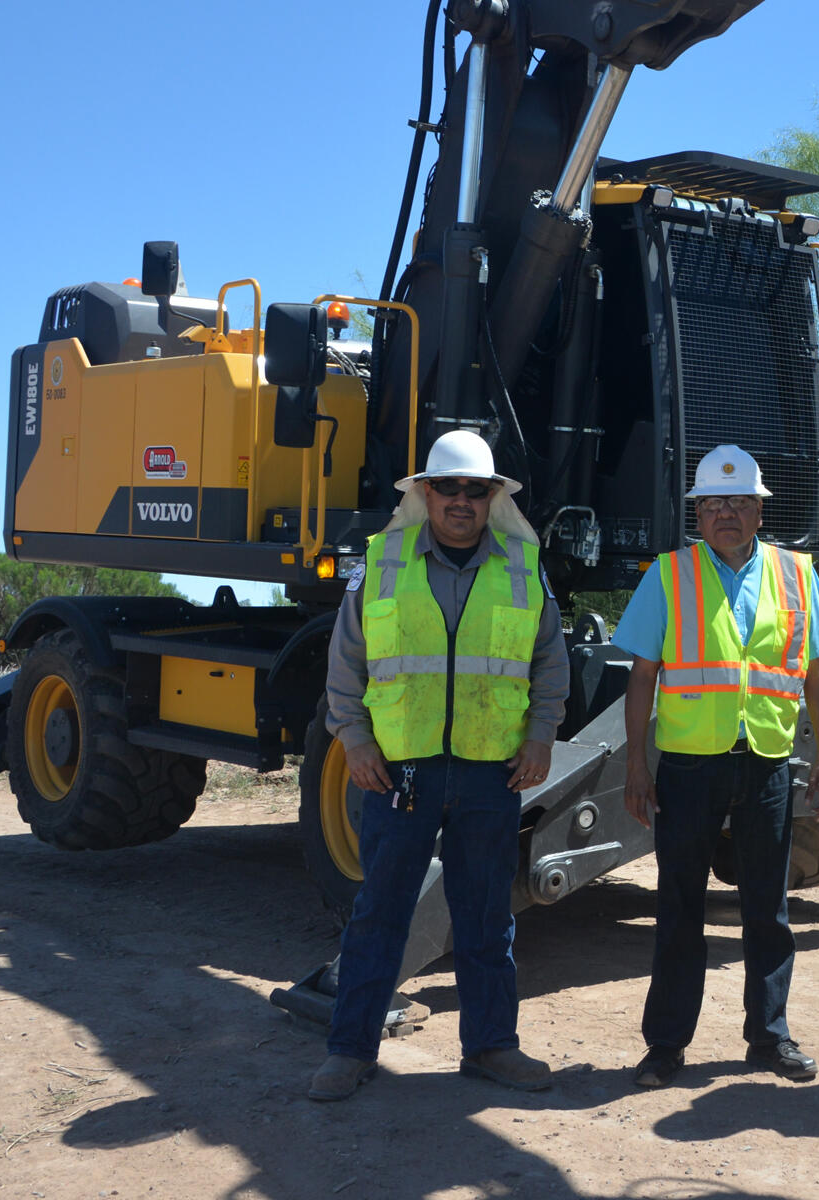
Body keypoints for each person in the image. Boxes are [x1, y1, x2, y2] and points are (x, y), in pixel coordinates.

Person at [309, 429, 570, 1102]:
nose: (461, 500)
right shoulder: (382, 565)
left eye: (474, 490)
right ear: (425, 493)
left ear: (492, 499)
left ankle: (491, 1047)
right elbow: (345, 665)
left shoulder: (522, 567)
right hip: (400, 774)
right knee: (380, 914)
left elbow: (549, 662)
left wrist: (541, 735)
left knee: (486, 918)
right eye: (448, 487)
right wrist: (356, 741)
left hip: (491, 773)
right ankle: (349, 1051)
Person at [617, 444, 819, 1088]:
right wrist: (638, 764)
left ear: (758, 510)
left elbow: (816, 673)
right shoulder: (667, 574)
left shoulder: (797, 574)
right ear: (697, 511)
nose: (725, 512)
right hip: (689, 766)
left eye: (738, 500)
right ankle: (665, 1044)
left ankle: (769, 1037)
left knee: (768, 909)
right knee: (679, 905)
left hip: (769, 764)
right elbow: (642, 677)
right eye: (713, 502)